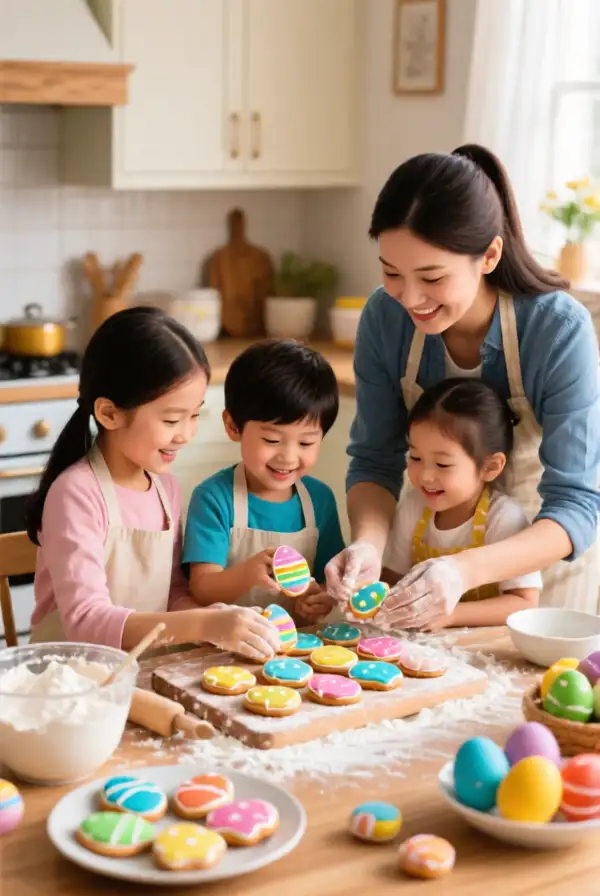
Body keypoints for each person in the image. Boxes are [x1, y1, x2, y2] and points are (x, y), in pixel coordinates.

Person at [325, 143, 600, 629]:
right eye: (391, 272)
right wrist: (368, 543)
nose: (409, 297)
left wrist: (462, 571)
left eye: (432, 277)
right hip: (427, 566)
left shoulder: (556, 329)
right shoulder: (385, 320)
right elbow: (374, 460)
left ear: (489, 254)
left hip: (540, 574)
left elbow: (578, 503)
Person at [27, 307, 280, 661]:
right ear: (109, 413)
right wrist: (202, 625)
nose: (186, 434)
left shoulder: (166, 489)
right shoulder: (76, 494)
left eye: (194, 415)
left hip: (135, 670)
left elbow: (172, 592)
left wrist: (213, 617)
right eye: (173, 419)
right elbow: (85, 621)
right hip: (67, 680)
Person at [183, 339, 345, 622]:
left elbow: (327, 582)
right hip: (226, 653)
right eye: (272, 439)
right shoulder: (214, 497)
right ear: (233, 426)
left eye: (306, 443)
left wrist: (318, 599)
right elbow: (202, 589)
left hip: (296, 656)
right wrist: (247, 575)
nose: (288, 457)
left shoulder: (320, 500)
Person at [382, 378, 542, 630]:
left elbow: (523, 603)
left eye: (443, 464)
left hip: (488, 652)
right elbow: (391, 581)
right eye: (415, 457)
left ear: (490, 467)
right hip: (425, 648)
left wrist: (452, 615)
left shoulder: (503, 517)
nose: (425, 476)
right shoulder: (414, 507)